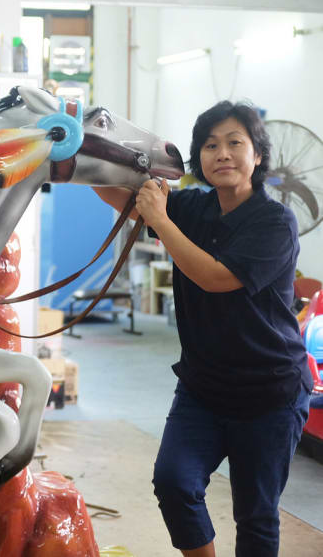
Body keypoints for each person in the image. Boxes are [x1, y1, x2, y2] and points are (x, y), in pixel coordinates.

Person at [95, 100, 312, 557]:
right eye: (210, 145)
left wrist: (159, 219)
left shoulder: (275, 223)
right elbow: (121, 198)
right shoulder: (194, 205)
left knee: (255, 515)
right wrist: (80, 153)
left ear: (257, 154)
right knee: (174, 483)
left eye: (235, 143)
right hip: (203, 388)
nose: (223, 153)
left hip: (268, 394)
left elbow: (215, 278)